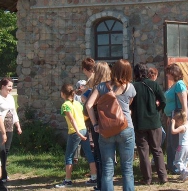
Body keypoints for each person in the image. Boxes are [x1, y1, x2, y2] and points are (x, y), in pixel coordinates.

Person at [85, 59, 136, 191]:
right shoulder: (130, 87)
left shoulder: (101, 87)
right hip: (126, 128)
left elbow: (89, 105)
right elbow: (129, 104)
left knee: (107, 170)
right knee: (127, 169)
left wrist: (95, 124)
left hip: (106, 130)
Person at [131, 62, 167, 185]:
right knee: (157, 150)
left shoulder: (133, 86)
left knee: (143, 152)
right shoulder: (154, 84)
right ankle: (163, 177)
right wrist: (156, 110)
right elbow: (163, 100)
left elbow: (129, 104)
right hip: (154, 122)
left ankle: (147, 179)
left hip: (140, 122)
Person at [55, 83, 97, 188]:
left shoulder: (65, 105)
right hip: (84, 129)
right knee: (89, 153)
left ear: (63, 94)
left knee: (69, 156)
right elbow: (84, 116)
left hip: (75, 132)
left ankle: (68, 181)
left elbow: (72, 119)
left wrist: (77, 132)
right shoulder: (78, 104)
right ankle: (94, 177)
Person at [82, 61, 112, 191]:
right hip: (112, 124)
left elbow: (88, 105)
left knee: (100, 155)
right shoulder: (113, 86)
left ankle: (101, 185)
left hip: (99, 124)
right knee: (110, 156)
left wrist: (94, 124)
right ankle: (108, 184)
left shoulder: (98, 88)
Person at [0, 77, 22, 182]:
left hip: (10, 127)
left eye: (12, 86)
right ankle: (2, 174)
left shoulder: (10, 98)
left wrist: (18, 126)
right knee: (1, 150)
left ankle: (3, 172)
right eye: (9, 86)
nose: (11, 88)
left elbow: (14, 112)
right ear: (2, 86)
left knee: (6, 150)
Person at [163, 63, 188, 174]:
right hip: (172, 117)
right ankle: (171, 165)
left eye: (168, 72)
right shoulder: (174, 85)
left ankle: (176, 166)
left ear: (173, 73)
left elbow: (184, 104)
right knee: (171, 142)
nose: (167, 75)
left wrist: (184, 120)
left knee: (174, 143)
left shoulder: (179, 85)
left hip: (177, 118)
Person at [170, 110, 188, 182]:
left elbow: (173, 131)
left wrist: (173, 123)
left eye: (177, 121)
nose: (176, 123)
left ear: (180, 120)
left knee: (177, 161)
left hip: (182, 146)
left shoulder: (182, 127)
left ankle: (185, 171)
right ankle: (184, 175)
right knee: (185, 161)